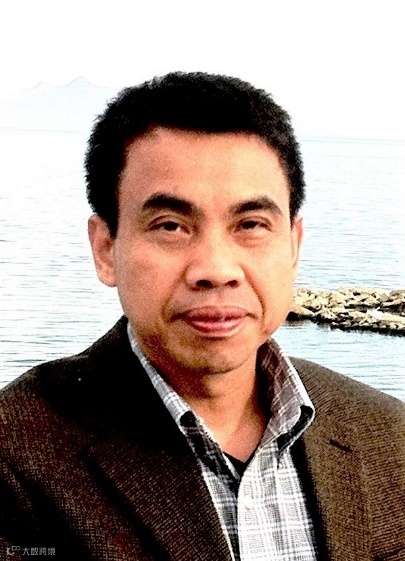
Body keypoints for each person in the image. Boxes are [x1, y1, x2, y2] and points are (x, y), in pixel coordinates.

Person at [0, 72, 404, 561]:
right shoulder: (16, 453)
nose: (216, 269)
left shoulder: (388, 437)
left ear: (294, 246)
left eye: (251, 224)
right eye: (171, 226)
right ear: (106, 248)